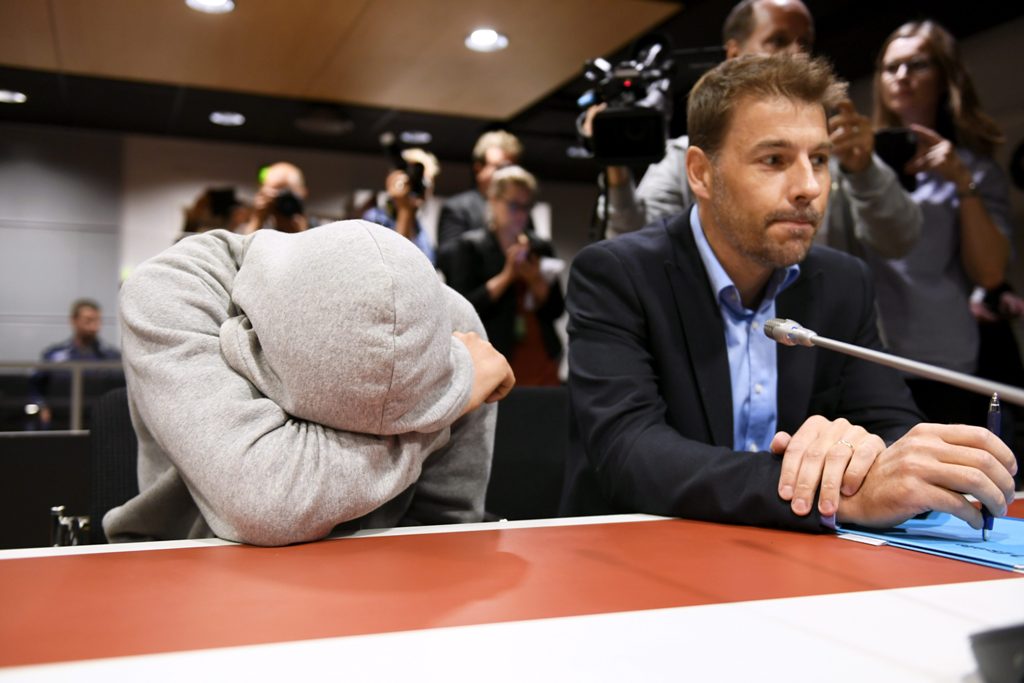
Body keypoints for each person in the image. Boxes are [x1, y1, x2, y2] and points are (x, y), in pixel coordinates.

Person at [561, 53, 1017, 533]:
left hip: (792, 563)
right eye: (774, 160)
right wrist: (826, 495)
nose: (808, 187)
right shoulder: (615, 273)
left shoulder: (845, 281)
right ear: (700, 173)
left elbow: (891, 426)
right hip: (638, 554)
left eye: (819, 160)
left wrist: (891, 463)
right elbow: (629, 455)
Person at [104, 221, 515, 546]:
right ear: (250, 339)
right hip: (192, 560)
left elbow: (444, 524)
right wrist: (452, 401)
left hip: (383, 566)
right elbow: (264, 501)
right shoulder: (171, 292)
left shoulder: (450, 328)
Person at [593, 0, 921, 264]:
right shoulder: (685, 157)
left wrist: (864, 171)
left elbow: (900, 243)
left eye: (805, 42)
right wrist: (617, 173)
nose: (797, 54)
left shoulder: (842, 149)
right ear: (734, 53)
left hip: (824, 337)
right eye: (777, 41)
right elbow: (635, 252)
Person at [868, 20, 1013, 428]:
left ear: (945, 75)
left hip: (941, 363)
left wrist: (961, 182)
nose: (901, 76)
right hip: (867, 356)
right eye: (890, 67)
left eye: (917, 64)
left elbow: (990, 271)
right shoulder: (858, 166)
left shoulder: (975, 170)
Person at [442, 166, 565, 386]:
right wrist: (507, 276)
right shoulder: (470, 246)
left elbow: (557, 309)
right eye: (514, 205)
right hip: (492, 359)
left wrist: (535, 281)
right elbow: (462, 309)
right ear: (493, 200)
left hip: (541, 359)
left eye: (527, 207)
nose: (521, 214)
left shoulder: (540, 247)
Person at [29, 298, 121, 428]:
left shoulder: (111, 357)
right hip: (61, 421)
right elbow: (36, 385)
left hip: (101, 422)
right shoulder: (54, 355)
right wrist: (41, 407)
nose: (94, 326)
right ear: (74, 320)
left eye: (97, 320)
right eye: (88, 320)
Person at [436, 130, 524, 251]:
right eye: (499, 167)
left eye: (511, 169)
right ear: (478, 169)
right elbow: (448, 258)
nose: (506, 176)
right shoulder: (456, 208)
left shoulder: (519, 209)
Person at [362, 148, 441, 264]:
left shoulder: (421, 231)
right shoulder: (374, 219)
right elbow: (394, 266)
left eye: (425, 182)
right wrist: (404, 209)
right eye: (415, 181)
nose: (420, 188)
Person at [240, 161, 310, 234]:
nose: (283, 200)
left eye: (288, 194)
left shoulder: (319, 230)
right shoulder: (253, 227)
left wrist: (303, 233)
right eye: (276, 193)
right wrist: (257, 220)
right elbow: (245, 244)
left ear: (303, 193)